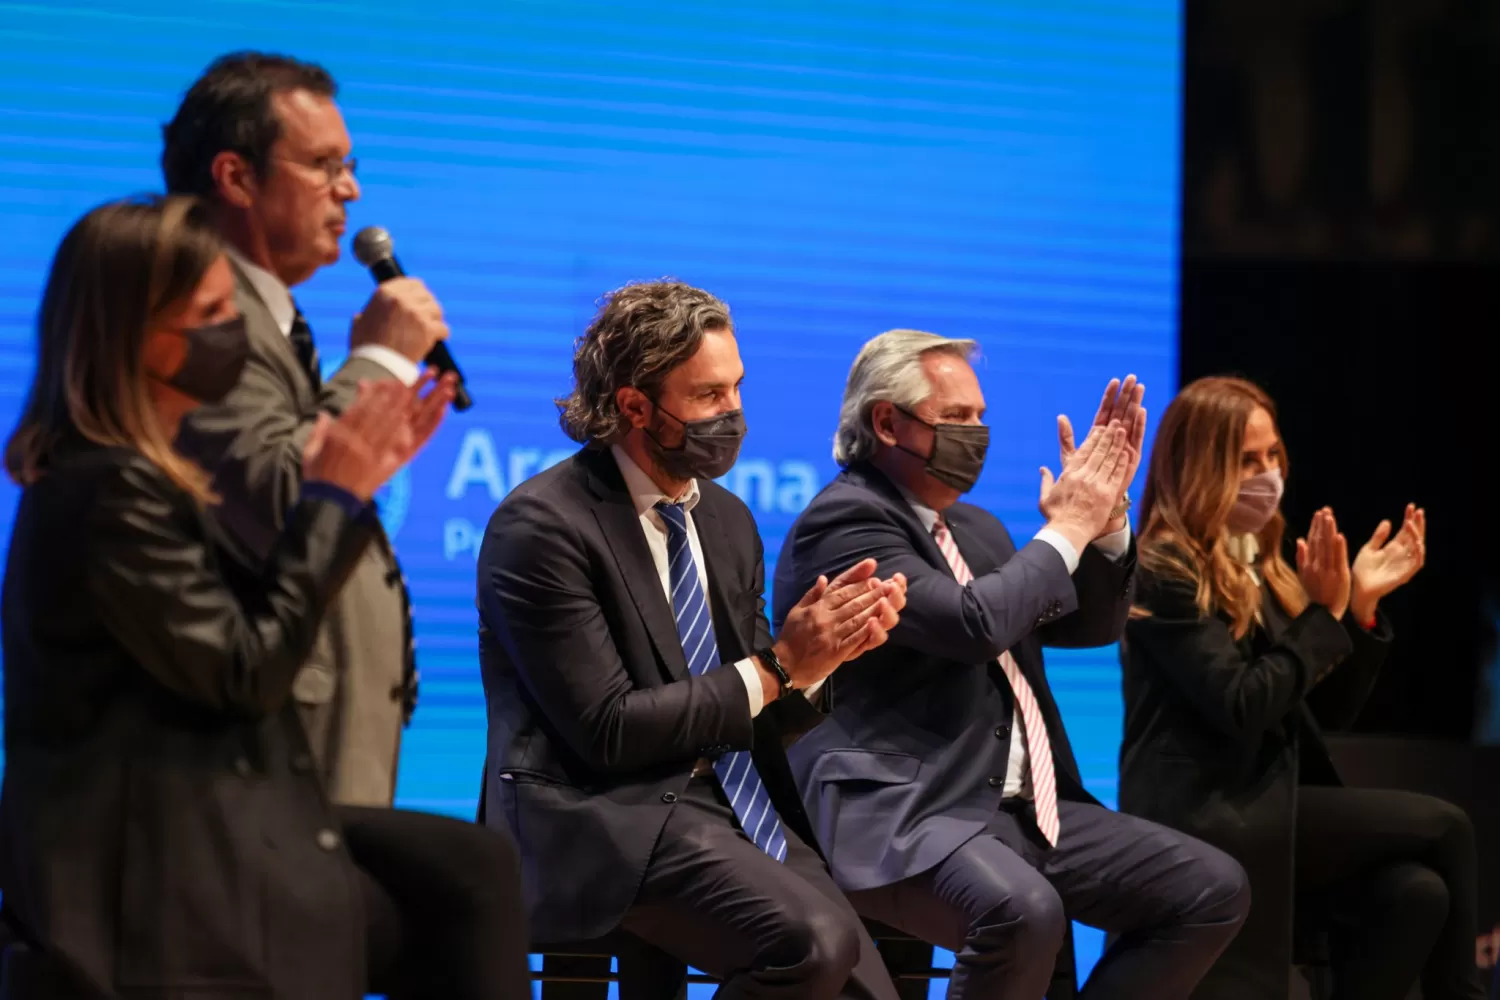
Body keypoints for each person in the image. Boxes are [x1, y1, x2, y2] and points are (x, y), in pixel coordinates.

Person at [0, 195, 529, 999]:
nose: (236, 335)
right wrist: (333, 498)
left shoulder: (152, 475)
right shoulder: (105, 491)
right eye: (211, 313)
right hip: (149, 846)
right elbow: (247, 672)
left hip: (212, 811)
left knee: (475, 864)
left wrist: (352, 489)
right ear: (137, 337)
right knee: (453, 901)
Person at [773, 330, 1251, 1000]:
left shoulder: (977, 528)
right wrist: (1065, 533)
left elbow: (1087, 627)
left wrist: (1107, 525)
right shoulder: (846, 521)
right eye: (958, 418)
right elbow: (974, 624)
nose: (979, 433)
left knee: (1211, 888)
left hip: (1026, 808)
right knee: (1022, 912)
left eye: (981, 416)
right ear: (888, 422)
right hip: (908, 808)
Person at [478, 280, 907, 999]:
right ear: (634, 406)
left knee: (866, 989)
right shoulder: (543, 526)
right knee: (810, 946)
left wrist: (820, 664)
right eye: (709, 396)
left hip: (725, 803)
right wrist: (779, 665)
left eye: (737, 388)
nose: (734, 413)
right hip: (601, 814)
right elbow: (607, 730)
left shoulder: (727, 521)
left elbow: (752, 704)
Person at [1119, 375, 1482, 1000]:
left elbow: (1321, 710)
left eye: (1273, 456)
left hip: (1272, 799)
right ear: (1204, 467)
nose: (1268, 474)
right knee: (1446, 824)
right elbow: (1243, 704)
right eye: (1247, 460)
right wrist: (1322, 615)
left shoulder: (1262, 561)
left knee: (1416, 895)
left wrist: (1356, 608)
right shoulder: (1165, 568)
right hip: (1212, 812)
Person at [163, 51, 446, 806]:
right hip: (262, 759)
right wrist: (382, 357)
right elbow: (286, 491)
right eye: (323, 165)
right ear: (237, 177)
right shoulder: (197, 317)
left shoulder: (275, 320)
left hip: (318, 745)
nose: (349, 189)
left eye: (347, 164)